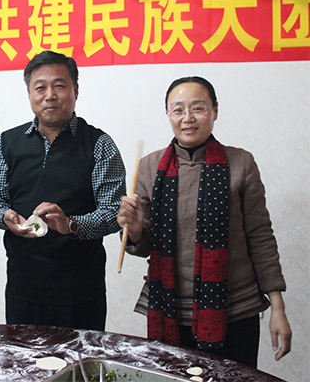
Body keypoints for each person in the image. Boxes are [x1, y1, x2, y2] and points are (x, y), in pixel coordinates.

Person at [117, 76, 292, 367]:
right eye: (178, 110)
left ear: (215, 111)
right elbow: (144, 244)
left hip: (235, 310)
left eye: (198, 108)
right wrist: (134, 230)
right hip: (170, 308)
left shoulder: (241, 163)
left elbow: (260, 236)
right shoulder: (148, 167)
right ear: (168, 115)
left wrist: (278, 308)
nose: (187, 118)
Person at [0, 50, 126, 331]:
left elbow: (112, 213)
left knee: (80, 358)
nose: (50, 95)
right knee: (24, 357)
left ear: (76, 91)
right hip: (23, 286)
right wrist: (5, 216)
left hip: (81, 290)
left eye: (59, 86)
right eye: (40, 87)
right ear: (29, 93)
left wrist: (70, 224)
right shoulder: (7, 142)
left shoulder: (99, 144)